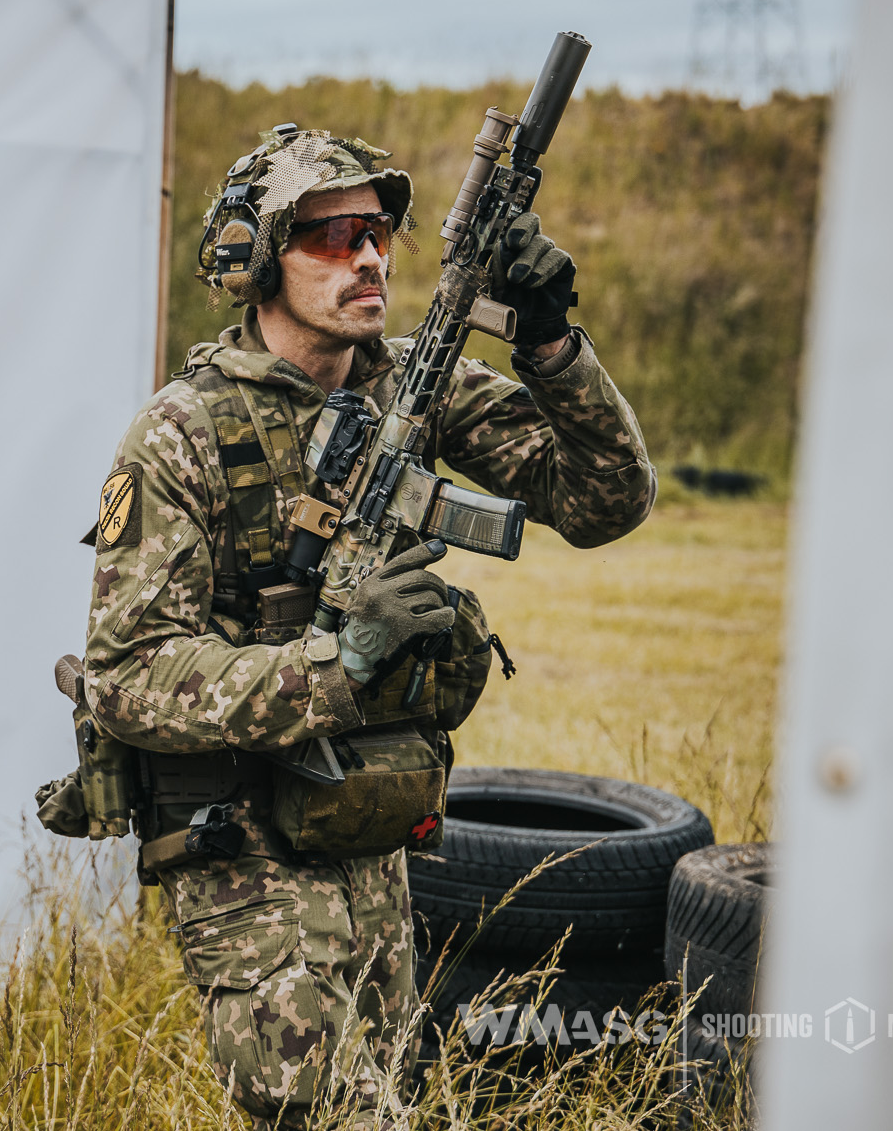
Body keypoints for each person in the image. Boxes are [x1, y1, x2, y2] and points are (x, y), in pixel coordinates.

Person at [79, 129, 654, 1126]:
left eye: (379, 232)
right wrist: (334, 666)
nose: (369, 259)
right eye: (333, 234)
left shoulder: (402, 387)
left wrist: (551, 343)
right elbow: (125, 673)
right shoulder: (181, 433)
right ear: (253, 258)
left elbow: (604, 500)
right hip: (242, 845)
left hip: (370, 833)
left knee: (391, 1100)